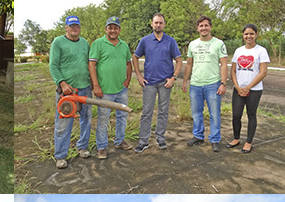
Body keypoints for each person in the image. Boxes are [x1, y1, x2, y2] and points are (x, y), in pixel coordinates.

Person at [132, 13, 182, 152]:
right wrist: (139, 76)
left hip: (165, 83)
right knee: (147, 112)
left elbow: (178, 61)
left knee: (163, 112)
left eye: (161, 23)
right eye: (156, 22)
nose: (158, 25)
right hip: (149, 83)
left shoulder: (170, 41)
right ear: (152, 24)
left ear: (164, 25)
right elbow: (135, 58)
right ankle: (143, 141)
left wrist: (174, 78)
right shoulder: (145, 41)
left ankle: (160, 138)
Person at [49, 15, 91, 169]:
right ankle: (60, 156)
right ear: (66, 27)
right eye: (71, 26)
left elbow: (89, 64)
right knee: (63, 123)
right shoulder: (58, 42)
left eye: (77, 26)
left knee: (86, 120)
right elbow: (53, 65)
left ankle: (82, 147)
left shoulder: (85, 43)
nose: (75, 28)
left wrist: (94, 83)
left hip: (85, 88)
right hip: (67, 91)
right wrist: (62, 83)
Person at [89, 16, 133, 159]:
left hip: (121, 89)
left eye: (115, 27)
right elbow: (92, 65)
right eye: (110, 27)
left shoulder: (123, 45)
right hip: (104, 90)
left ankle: (119, 141)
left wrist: (128, 79)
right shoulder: (98, 44)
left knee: (122, 115)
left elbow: (128, 63)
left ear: (119, 30)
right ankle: (101, 147)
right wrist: (96, 85)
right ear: (105, 29)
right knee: (103, 119)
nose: (113, 30)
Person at [182, 16, 228, 152]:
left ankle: (215, 139)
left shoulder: (219, 44)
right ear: (197, 28)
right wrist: (185, 81)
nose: (203, 28)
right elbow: (189, 64)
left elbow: (224, 64)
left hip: (213, 84)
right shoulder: (192, 44)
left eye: (206, 25)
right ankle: (198, 136)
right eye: (201, 26)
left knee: (214, 113)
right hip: (196, 84)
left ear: (210, 27)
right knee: (196, 113)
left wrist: (223, 83)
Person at [229, 24, 269, 153]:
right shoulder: (238, 51)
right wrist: (237, 86)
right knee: (236, 115)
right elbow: (233, 71)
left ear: (256, 35)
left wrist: (248, 87)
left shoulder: (261, 51)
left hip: (254, 90)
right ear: (243, 35)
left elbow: (263, 72)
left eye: (251, 33)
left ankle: (248, 142)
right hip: (238, 89)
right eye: (246, 34)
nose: (249, 36)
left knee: (251, 114)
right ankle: (236, 138)